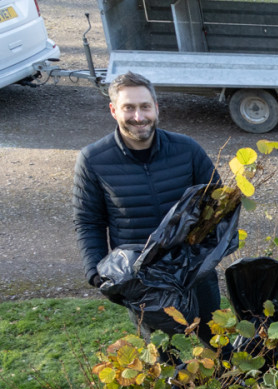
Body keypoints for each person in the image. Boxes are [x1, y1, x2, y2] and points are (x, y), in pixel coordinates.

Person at [72, 71, 220, 342]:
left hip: (195, 272)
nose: (138, 117)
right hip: (140, 282)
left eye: (145, 107)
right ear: (113, 110)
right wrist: (95, 272)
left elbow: (219, 204)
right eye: (129, 108)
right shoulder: (93, 160)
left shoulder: (187, 150)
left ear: (156, 108)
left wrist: (207, 256)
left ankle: (225, 380)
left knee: (216, 341)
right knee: (161, 354)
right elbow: (88, 221)